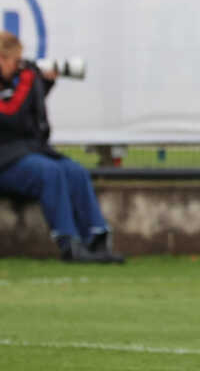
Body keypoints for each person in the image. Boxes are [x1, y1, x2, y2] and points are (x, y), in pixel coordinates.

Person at [0, 32, 123, 262]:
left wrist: (42, 85)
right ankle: (69, 243)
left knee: (75, 171)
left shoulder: (15, 84)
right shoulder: (20, 82)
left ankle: (97, 238)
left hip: (23, 154)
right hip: (6, 161)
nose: (18, 67)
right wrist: (29, 81)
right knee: (50, 172)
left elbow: (25, 114)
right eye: (14, 61)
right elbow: (10, 114)